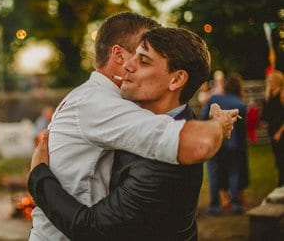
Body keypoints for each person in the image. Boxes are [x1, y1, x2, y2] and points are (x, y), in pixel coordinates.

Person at [27, 12, 237, 240]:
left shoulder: (162, 158)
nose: (128, 65)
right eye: (134, 54)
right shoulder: (100, 104)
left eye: (143, 60)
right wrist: (218, 123)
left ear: (176, 80)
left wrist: (39, 178)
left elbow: (91, 228)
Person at [203, 74, 248, 215]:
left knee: (214, 175)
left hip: (213, 144)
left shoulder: (214, 99)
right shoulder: (241, 104)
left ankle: (214, 207)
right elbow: (241, 132)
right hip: (232, 146)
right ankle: (236, 204)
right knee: (233, 173)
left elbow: (204, 118)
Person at [262, 70, 284, 186]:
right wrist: (266, 99)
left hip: (281, 132)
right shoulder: (269, 96)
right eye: (268, 81)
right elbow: (265, 116)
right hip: (272, 131)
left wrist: (280, 132)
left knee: (282, 160)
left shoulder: (282, 94)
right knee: (278, 160)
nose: (269, 83)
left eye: (271, 80)